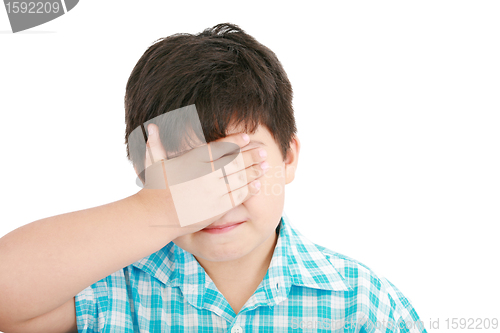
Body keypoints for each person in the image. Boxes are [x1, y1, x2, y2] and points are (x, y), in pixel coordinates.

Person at [0, 23, 427, 333]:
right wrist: (161, 209)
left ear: (289, 156)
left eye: (237, 163)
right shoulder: (110, 290)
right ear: (143, 176)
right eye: (187, 173)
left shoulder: (361, 304)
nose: (216, 198)